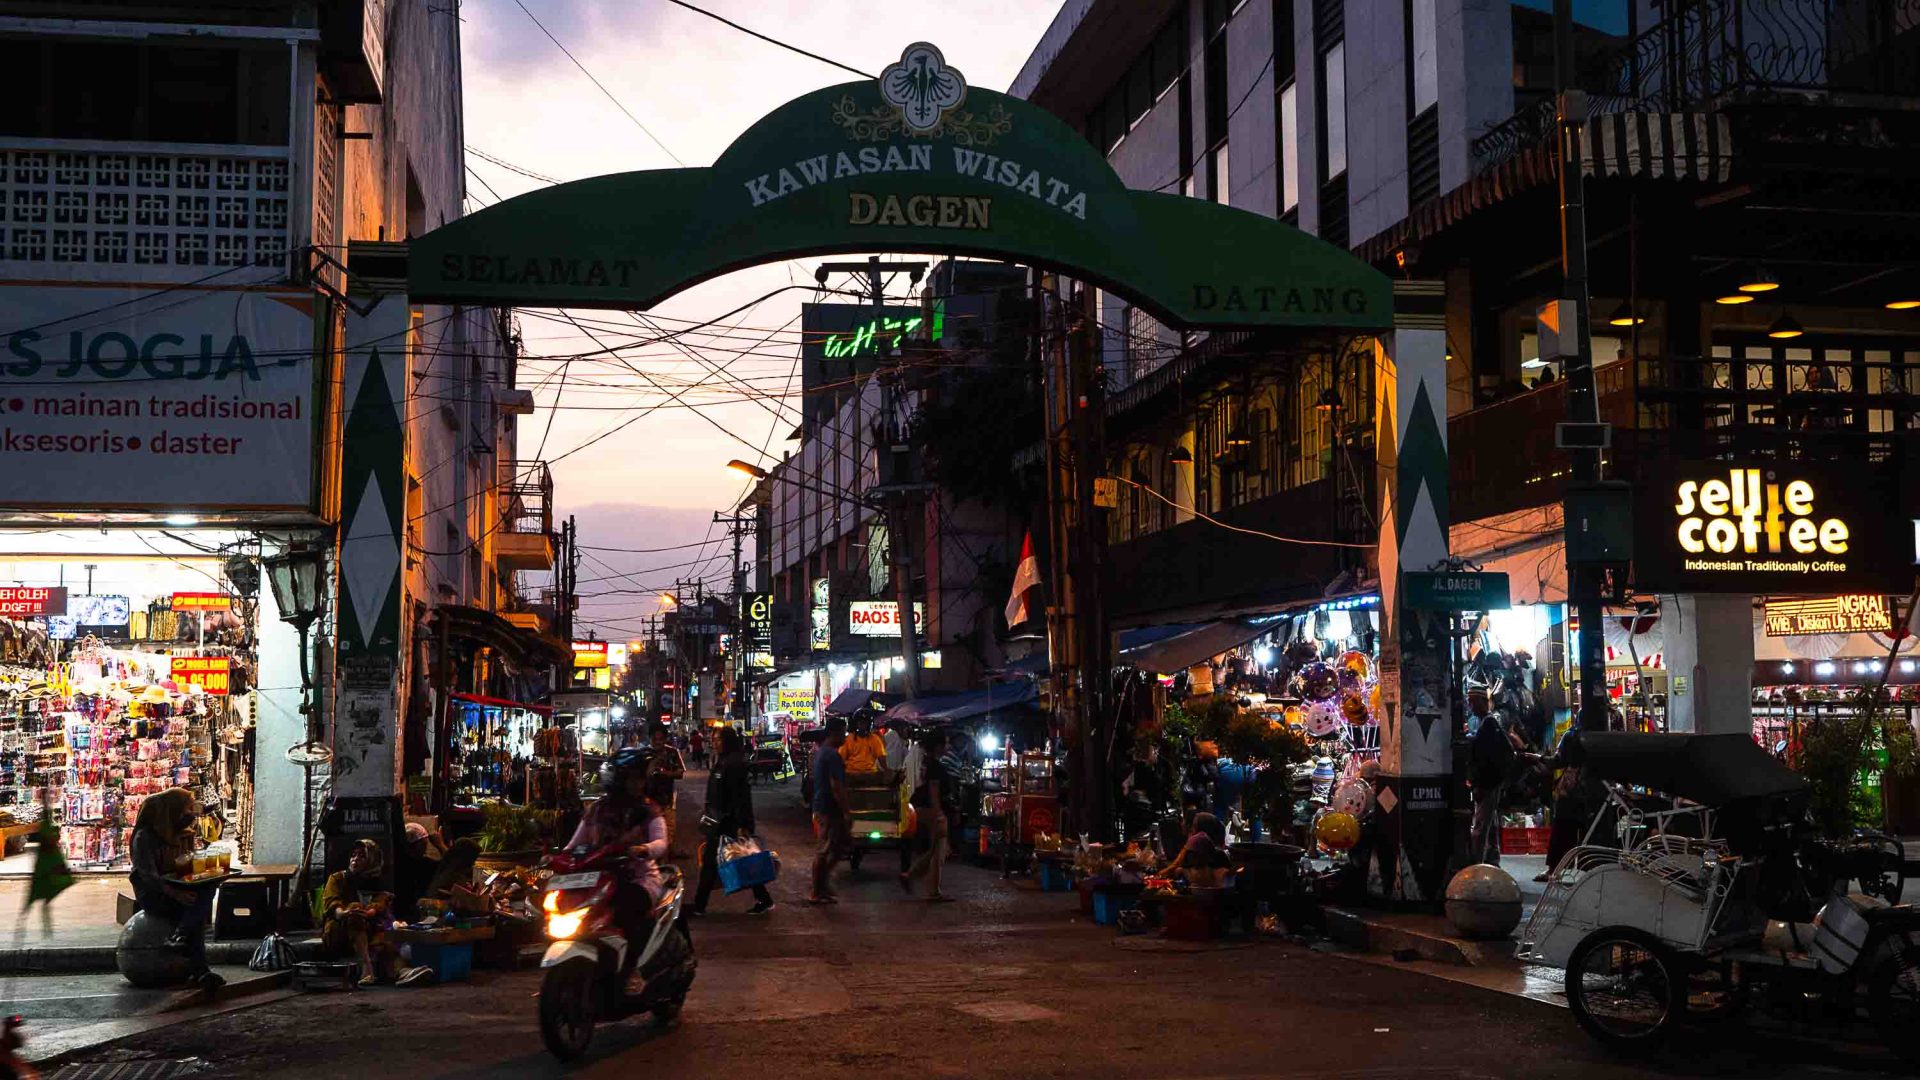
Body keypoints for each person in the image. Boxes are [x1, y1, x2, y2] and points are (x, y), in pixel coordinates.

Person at [564, 747, 670, 993]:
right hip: (601, 877)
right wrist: (556, 857)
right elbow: (575, 843)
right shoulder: (597, 810)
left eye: (641, 778)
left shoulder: (647, 809)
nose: (639, 784)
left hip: (640, 878)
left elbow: (661, 842)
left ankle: (632, 970)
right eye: (635, 778)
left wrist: (644, 849)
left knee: (627, 912)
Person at [127, 787, 222, 990]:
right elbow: (147, 876)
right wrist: (176, 894)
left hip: (180, 886)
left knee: (206, 890)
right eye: (186, 809)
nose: (190, 814)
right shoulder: (144, 837)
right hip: (154, 893)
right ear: (171, 810)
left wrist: (207, 871)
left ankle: (183, 937)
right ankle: (199, 968)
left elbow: (185, 865)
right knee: (193, 912)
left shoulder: (182, 834)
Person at [322, 839, 432, 986]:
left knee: (386, 943)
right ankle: (366, 967)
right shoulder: (337, 879)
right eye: (353, 855)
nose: (355, 859)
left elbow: (379, 905)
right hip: (338, 933)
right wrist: (344, 913)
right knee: (355, 909)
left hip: (368, 931)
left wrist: (368, 913)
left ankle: (403, 973)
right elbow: (332, 903)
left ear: (372, 860)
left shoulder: (377, 883)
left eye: (361, 856)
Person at [691, 726, 774, 915]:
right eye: (713, 739)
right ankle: (763, 898)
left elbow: (740, 797)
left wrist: (742, 825)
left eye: (718, 739)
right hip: (720, 820)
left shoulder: (734, 763)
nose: (714, 742)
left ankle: (699, 905)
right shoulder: (723, 761)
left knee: (719, 861)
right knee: (728, 860)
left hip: (729, 822)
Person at [899, 728, 957, 902]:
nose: (947, 745)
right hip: (931, 811)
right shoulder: (934, 766)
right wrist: (938, 814)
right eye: (945, 742)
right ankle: (929, 887)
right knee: (937, 851)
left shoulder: (927, 762)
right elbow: (933, 791)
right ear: (938, 746)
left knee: (935, 850)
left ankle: (914, 878)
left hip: (923, 809)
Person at [1540, 725, 1604, 881]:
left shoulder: (1571, 735)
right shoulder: (1605, 733)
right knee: (1589, 832)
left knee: (1562, 831)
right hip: (1596, 790)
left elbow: (1557, 760)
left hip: (1571, 790)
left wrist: (1538, 759)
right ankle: (1589, 871)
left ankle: (1554, 870)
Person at [1466, 691, 1516, 866]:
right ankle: (1492, 859)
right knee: (1490, 822)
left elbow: (1487, 757)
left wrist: (1479, 782)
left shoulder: (1489, 724)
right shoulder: (1487, 724)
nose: (1471, 706)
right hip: (1491, 782)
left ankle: (1477, 864)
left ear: (1483, 702)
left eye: (1473, 702)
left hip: (1488, 783)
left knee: (1481, 825)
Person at [809, 717, 851, 904]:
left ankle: (822, 886)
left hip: (823, 806)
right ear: (835, 733)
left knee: (837, 846)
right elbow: (836, 786)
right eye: (843, 732)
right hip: (828, 808)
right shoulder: (832, 756)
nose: (845, 736)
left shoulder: (822, 753)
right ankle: (818, 890)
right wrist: (846, 811)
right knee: (825, 849)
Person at [647, 724, 687, 857]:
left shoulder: (672, 752)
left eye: (660, 739)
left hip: (667, 799)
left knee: (669, 830)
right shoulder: (643, 754)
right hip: (648, 801)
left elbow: (681, 773)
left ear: (665, 739)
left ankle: (667, 857)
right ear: (650, 739)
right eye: (654, 739)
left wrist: (666, 774)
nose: (658, 742)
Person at [1163, 811, 1233, 888]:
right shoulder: (1201, 846)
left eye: (1194, 826)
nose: (1181, 824)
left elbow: (1177, 866)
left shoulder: (1212, 851)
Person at [392, 822, 442, 922]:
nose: (426, 846)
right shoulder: (425, 865)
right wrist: (440, 844)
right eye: (424, 843)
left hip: (398, 917)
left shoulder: (394, 863)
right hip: (418, 916)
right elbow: (450, 864)